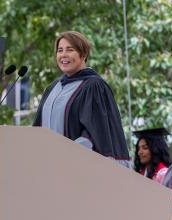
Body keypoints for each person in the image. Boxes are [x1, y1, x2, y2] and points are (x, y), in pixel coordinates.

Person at [32, 31, 129, 167]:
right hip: (49, 165)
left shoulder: (93, 86)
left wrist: (66, 155)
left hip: (79, 167)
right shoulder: (53, 88)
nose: (63, 55)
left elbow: (94, 132)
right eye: (60, 51)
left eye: (70, 50)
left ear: (83, 54)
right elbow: (38, 128)